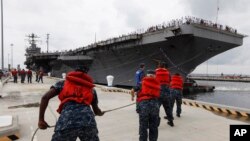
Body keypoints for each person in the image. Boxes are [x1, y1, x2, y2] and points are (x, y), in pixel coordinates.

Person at [38, 66, 104, 141]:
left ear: (75, 71)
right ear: (86, 74)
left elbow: (45, 97)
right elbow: (96, 111)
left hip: (66, 122)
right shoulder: (91, 89)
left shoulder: (62, 83)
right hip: (88, 122)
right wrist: (100, 113)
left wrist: (41, 120)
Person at [131, 70, 160, 141]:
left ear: (147, 75)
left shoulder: (141, 83)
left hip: (144, 106)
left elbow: (132, 90)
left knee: (143, 127)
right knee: (154, 126)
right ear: (154, 76)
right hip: (154, 106)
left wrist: (132, 96)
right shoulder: (157, 83)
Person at [155, 62, 174, 127]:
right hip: (166, 93)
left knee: (156, 108)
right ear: (164, 67)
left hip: (158, 93)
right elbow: (170, 81)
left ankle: (157, 123)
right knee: (168, 108)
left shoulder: (156, 73)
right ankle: (171, 121)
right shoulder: (168, 73)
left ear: (158, 66)